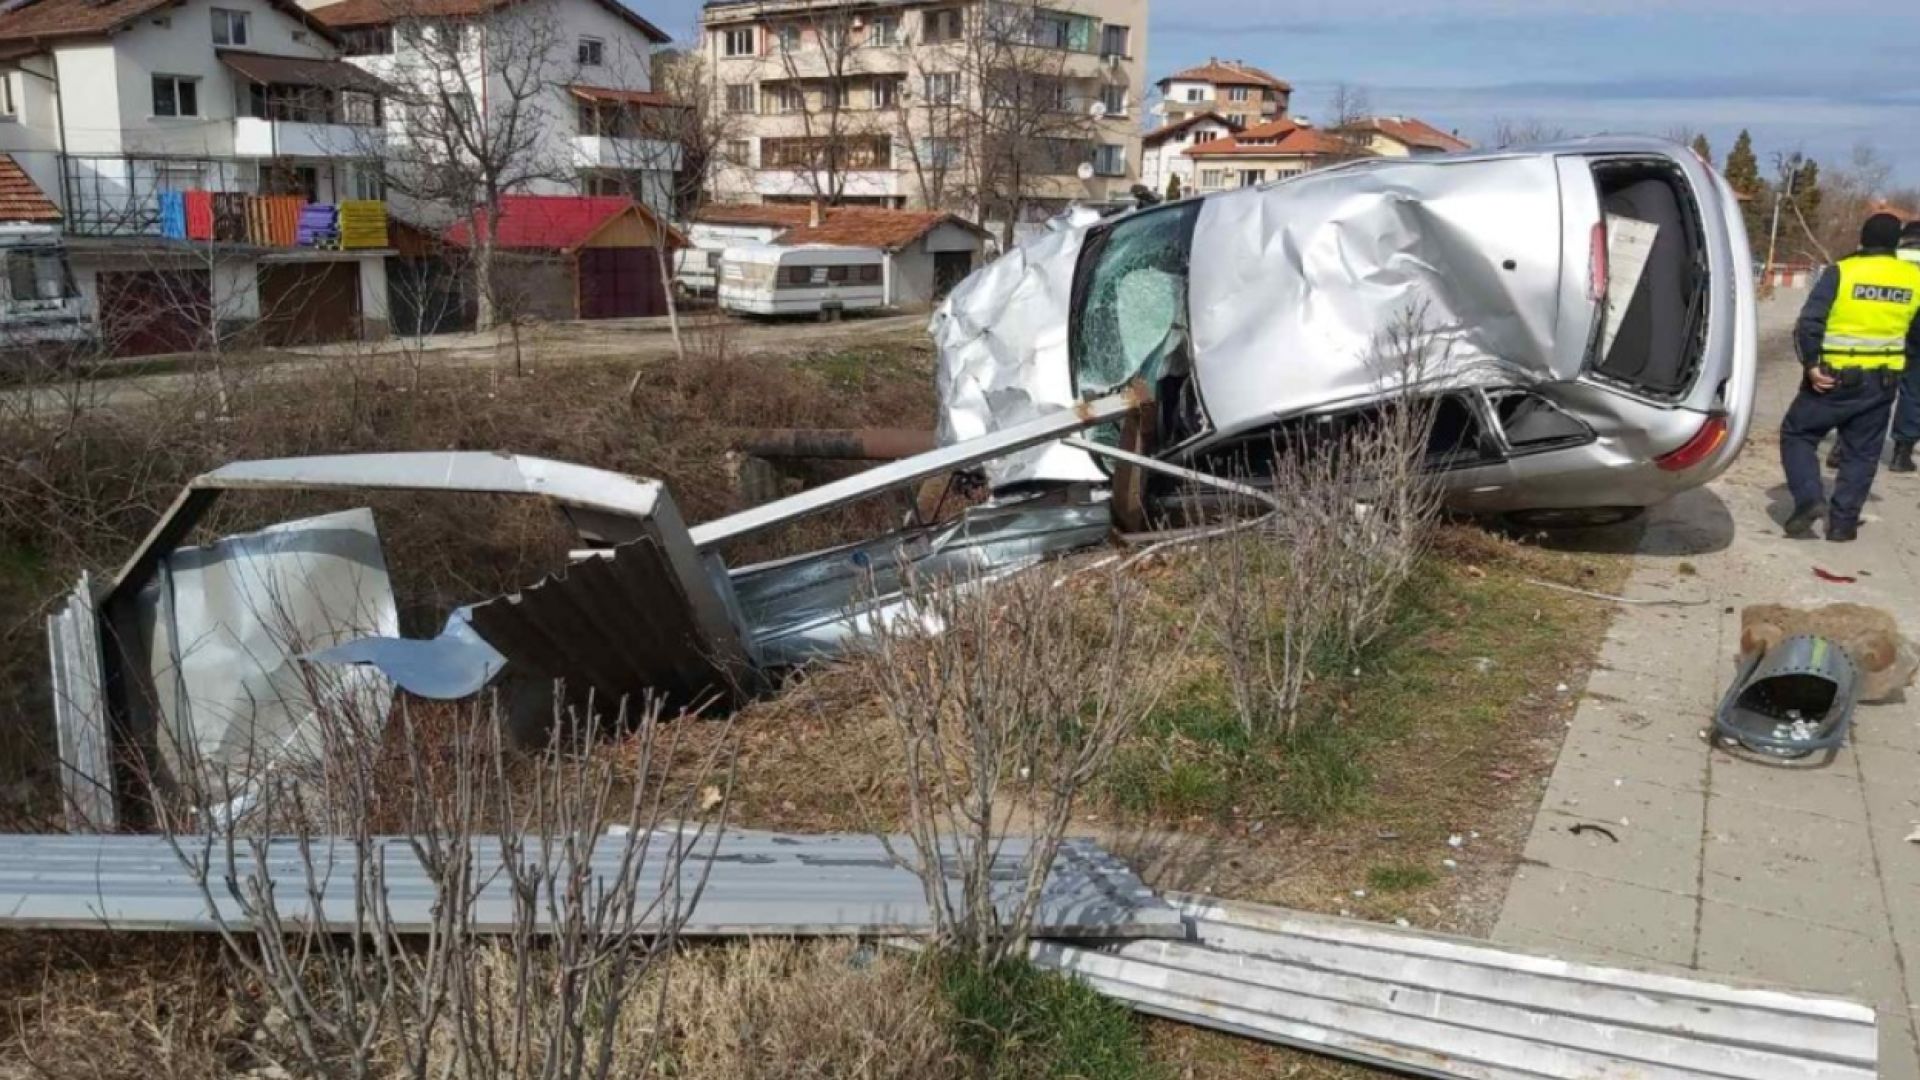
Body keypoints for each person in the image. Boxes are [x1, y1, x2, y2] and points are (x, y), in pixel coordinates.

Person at [1780, 213, 1920, 541]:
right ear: (1895, 243)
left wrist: (1811, 364)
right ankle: (1843, 525)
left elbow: (1810, 321)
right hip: (1882, 382)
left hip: (1832, 378)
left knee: (1798, 433)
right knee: (1862, 453)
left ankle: (1809, 498)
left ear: (1863, 238)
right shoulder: (1913, 279)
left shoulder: (1842, 271)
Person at [1886, 219, 1920, 472]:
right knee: (1913, 391)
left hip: (1885, 328)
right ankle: (1902, 452)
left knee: (1874, 389)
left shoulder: (1889, 257)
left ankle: (1842, 448)